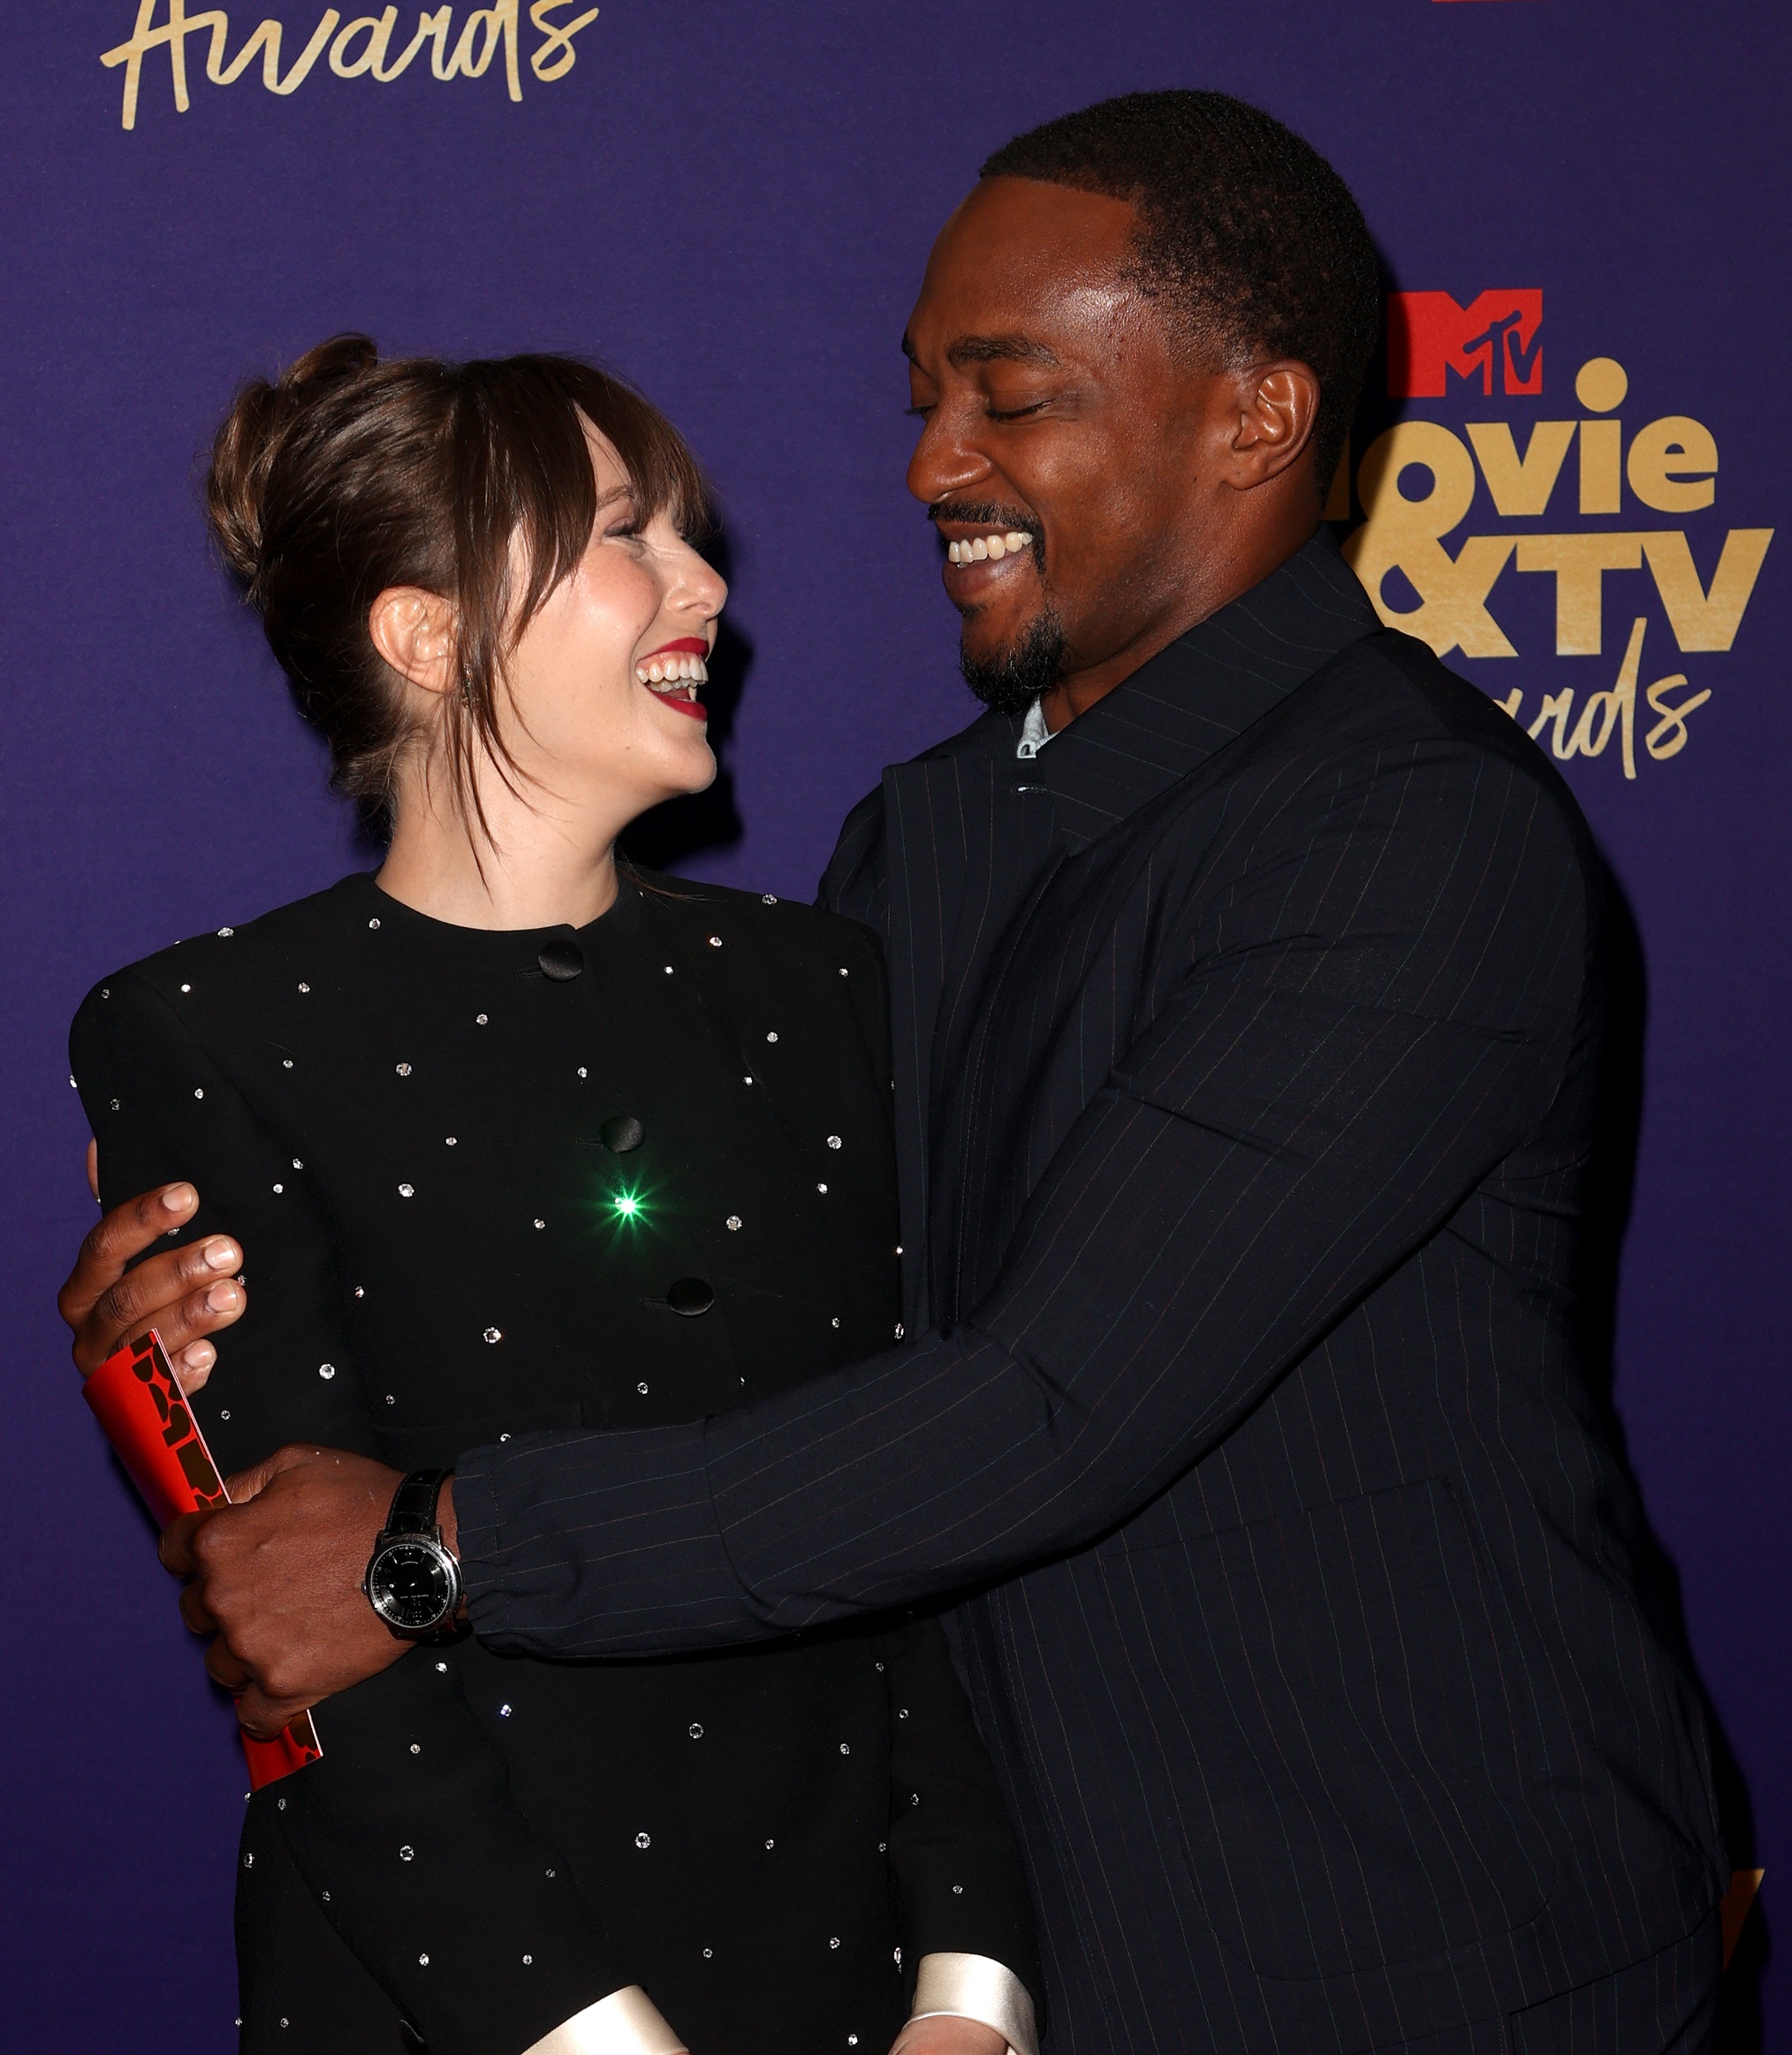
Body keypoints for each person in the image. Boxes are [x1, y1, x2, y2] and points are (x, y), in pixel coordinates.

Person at [65, 93, 1729, 2055]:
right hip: (1013, 1954)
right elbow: (802, 1363)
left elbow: (1051, 1400)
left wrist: (428, 1544)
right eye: (928, 393)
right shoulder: (916, 851)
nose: (938, 461)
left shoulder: (1405, 835)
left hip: (1411, 1941)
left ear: (1255, 420)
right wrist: (172, 1364)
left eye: (1010, 395)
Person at [65, 337, 1041, 2055]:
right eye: (624, 534)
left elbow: (917, 1500)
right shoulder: (199, 1032)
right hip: (463, 2005)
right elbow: (307, 1649)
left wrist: (969, 1983)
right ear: (426, 633)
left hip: (865, 1995)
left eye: (686, 532)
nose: (707, 585)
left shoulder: (828, 989)